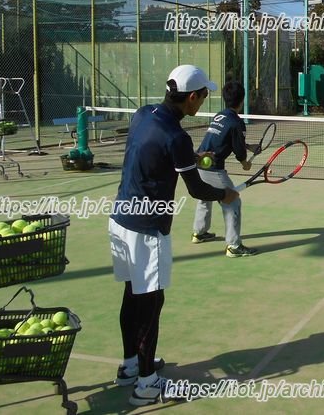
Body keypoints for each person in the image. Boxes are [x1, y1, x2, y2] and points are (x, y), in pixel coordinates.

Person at [108, 65, 239, 406]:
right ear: (191, 97)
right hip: (148, 230)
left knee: (131, 295)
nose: (204, 102)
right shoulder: (177, 137)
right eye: (204, 96)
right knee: (152, 302)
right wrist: (224, 195)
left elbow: (155, 153)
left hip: (120, 220)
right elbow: (196, 190)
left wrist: (191, 158)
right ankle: (147, 384)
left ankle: (130, 366)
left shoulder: (143, 114)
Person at [191, 81, 258, 257]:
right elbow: (238, 151)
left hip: (199, 163)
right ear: (242, 100)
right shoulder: (237, 122)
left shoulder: (219, 116)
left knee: (204, 196)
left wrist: (249, 146)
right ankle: (234, 246)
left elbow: (225, 138)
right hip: (213, 168)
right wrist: (245, 163)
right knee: (233, 200)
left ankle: (199, 233)